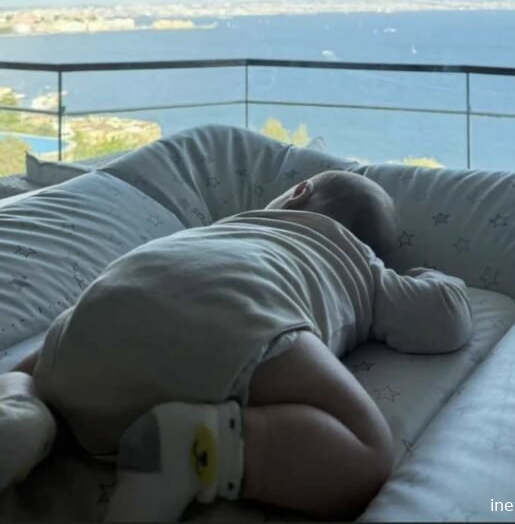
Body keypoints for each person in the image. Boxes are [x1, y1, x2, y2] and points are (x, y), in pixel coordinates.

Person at [0, 171, 473, 522]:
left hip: (106, 308)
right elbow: (446, 320)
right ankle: (197, 445)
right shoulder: (363, 266)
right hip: (239, 314)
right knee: (367, 452)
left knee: (33, 370)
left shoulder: (225, 227)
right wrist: (430, 277)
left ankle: (22, 409)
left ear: (297, 193)